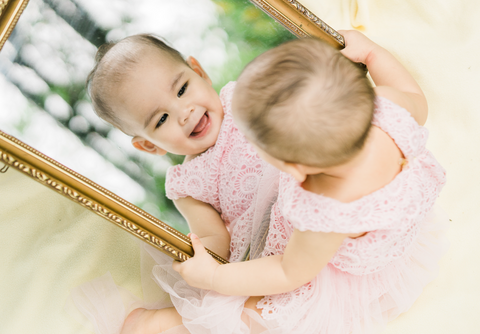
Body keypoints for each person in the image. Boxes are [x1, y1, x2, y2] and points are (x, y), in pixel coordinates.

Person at [171, 30, 449, 334]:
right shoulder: (387, 108)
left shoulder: (322, 208)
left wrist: (213, 278)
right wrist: (371, 54)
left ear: (296, 170)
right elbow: (416, 98)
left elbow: (289, 271)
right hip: (400, 231)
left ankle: (167, 325)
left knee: (256, 315)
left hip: (343, 274)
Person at [72, 33, 279, 334]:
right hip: (273, 254)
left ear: (199, 72)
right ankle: (156, 324)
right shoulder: (188, 184)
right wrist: (198, 261)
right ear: (148, 145)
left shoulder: (242, 99)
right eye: (161, 120)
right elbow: (214, 238)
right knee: (254, 314)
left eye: (182, 89)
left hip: (313, 197)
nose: (184, 113)